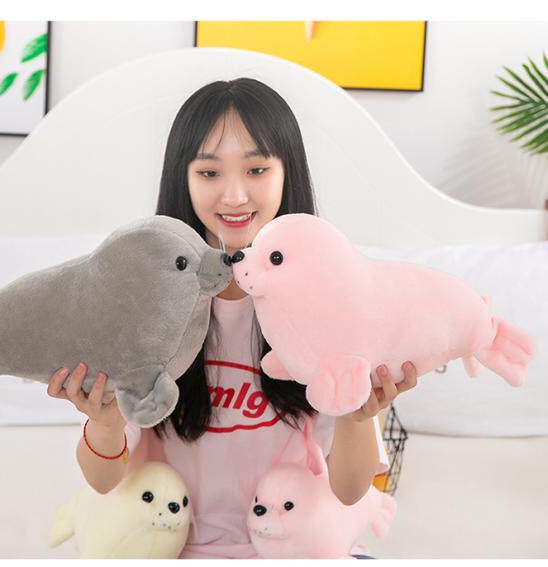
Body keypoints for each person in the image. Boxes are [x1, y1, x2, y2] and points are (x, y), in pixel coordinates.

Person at [47, 78, 418, 559]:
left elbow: (349, 491)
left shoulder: (332, 308)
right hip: (171, 546)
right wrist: (104, 423)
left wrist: (356, 416)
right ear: (182, 180)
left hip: (288, 548)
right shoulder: (143, 309)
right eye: (209, 173)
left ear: (287, 173)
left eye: (257, 169)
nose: (235, 195)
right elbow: (102, 481)